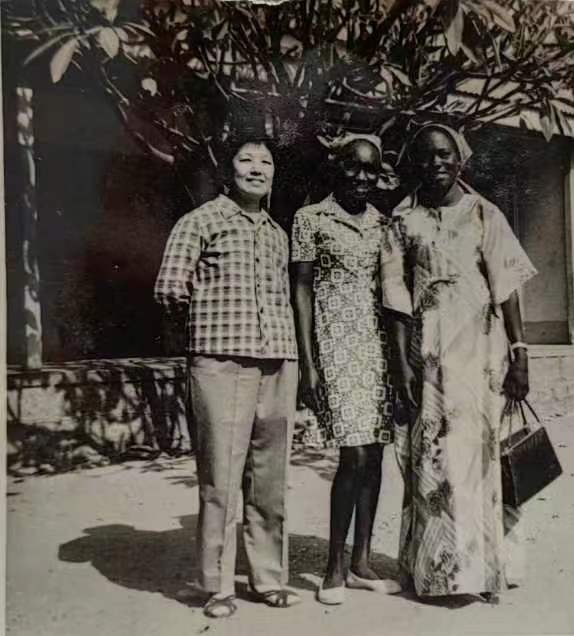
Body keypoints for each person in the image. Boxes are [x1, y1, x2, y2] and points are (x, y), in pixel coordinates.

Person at [380, 123, 537, 602]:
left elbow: (507, 288)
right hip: (426, 354)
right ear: (414, 163)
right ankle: (437, 572)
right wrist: (401, 364)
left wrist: (520, 353)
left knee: (479, 456)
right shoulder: (402, 221)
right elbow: (395, 299)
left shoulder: (485, 213)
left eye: (445, 154)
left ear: (460, 158)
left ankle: (488, 569)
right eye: (426, 156)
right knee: (434, 455)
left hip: (480, 353)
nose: (436, 163)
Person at [154, 129, 301, 618]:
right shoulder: (200, 221)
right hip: (220, 361)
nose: (257, 169)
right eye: (246, 160)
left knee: (270, 478)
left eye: (266, 162)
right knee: (220, 475)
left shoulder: (277, 233)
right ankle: (215, 585)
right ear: (228, 169)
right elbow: (169, 290)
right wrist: (208, 333)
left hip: (277, 359)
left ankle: (268, 578)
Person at [291, 133, 400, 605]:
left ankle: (361, 562)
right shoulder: (310, 219)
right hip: (334, 346)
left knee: (374, 456)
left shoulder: (384, 223)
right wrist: (307, 362)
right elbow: (301, 290)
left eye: (370, 169)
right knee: (352, 455)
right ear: (337, 167)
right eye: (353, 166)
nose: (361, 177)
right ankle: (333, 566)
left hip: (378, 351)